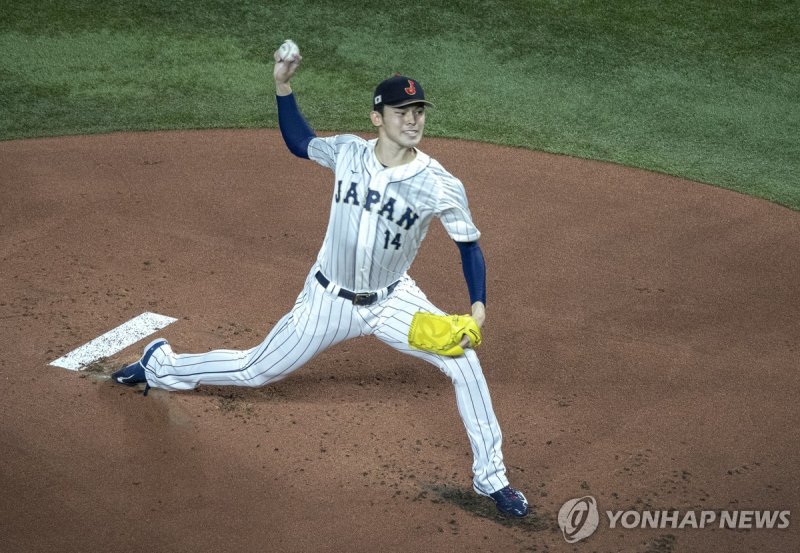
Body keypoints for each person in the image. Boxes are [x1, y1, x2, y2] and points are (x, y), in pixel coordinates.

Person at [112, 42, 529, 518]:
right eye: (402, 111)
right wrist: (282, 85)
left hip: (394, 302)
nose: (413, 120)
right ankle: (160, 364)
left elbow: (469, 246)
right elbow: (298, 142)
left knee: (465, 364)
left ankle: (491, 479)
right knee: (257, 370)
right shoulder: (349, 152)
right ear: (378, 118)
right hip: (327, 299)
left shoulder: (439, 184)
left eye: (418, 112)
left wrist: (478, 305)